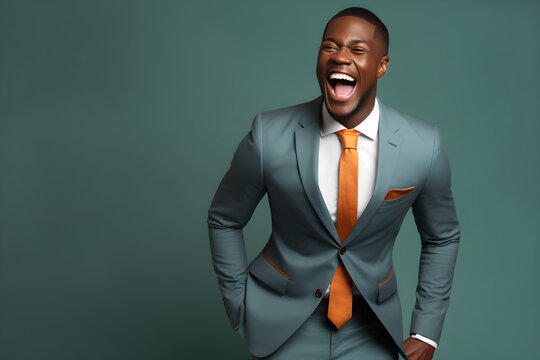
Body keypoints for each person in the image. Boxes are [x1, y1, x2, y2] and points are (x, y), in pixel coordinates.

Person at [208, 7, 460, 360]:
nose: (340, 57)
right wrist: (238, 303)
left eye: (357, 50)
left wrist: (426, 331)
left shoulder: (423, 145)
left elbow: (442, 237)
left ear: (381, 65)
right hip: (283, 325)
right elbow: (225, 218)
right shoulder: (270, 134)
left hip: (372, 326)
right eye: (330, 47)